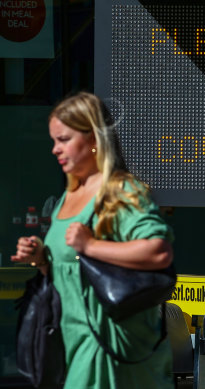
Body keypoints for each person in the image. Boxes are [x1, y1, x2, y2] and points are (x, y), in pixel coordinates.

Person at [11, 92, 175, 388]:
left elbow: (158, 252)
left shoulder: (121, 191)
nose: (54, 150)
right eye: (53, 141)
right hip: (72, 342)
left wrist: (91, 245)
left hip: (112, 346)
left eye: (63, 140)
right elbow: (72, 268)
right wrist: (41, 259)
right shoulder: (69, 195)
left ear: (94, 139)